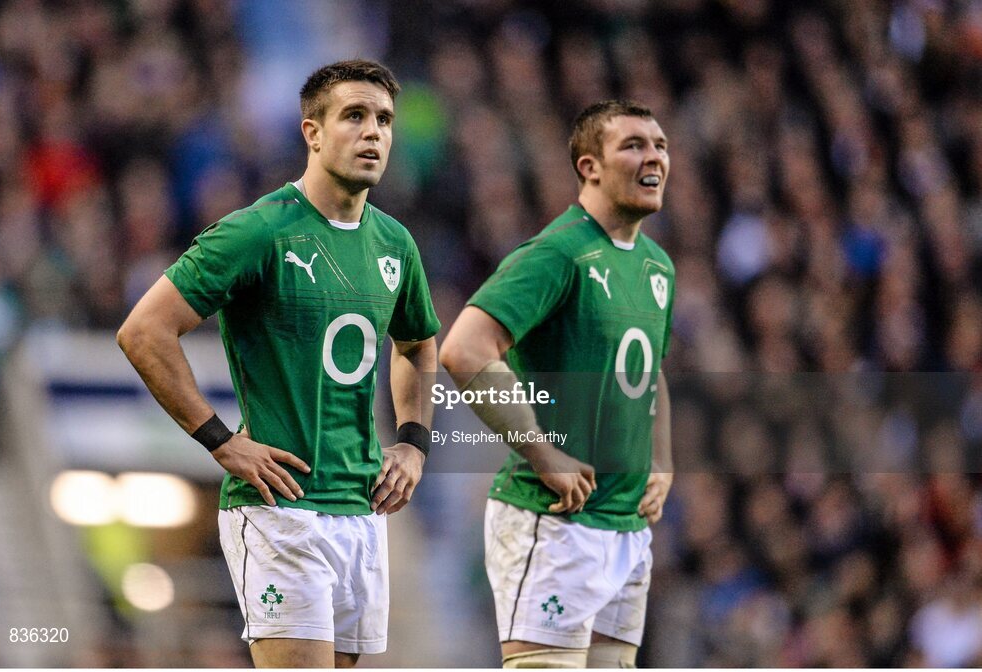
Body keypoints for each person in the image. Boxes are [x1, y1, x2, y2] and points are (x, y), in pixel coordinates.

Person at [117, 60, 439, 669]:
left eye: (384, 119)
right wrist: (220, 441)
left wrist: (414, 442)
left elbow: (418, 343)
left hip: (362, 508)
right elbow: (144, 331)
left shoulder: (395, 243)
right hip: (279, 508)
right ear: (312, 132)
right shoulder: (259, 230)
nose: (373, 131)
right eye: (354, 116)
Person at [439, 100, 675, 668]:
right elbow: (464, 349)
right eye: (634, 145)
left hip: (625, 526)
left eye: (661, 146)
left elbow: (650, 372)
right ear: (589, 166)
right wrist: (543, 453)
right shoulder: (558, 253)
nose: (654, 157)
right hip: (553, 522)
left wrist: (662, 461)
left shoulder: (657, 265)